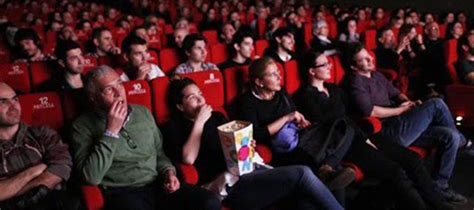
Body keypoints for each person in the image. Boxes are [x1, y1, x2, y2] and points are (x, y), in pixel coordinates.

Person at [294, 51, 453, 210]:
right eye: (324, 64)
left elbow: (351, 115)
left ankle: (439, 205)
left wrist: (365, 136)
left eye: (329, 63)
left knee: (412, 159)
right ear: (312, 71)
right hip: (342, 143)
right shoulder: (304, 95)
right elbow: (329, 123)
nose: (329, 66)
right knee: (395, 171)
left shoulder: (335, 89)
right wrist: (362, 137)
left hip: (362, 134)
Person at [163, 77, 344, 210]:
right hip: (229, 184)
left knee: (306, 203)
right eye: (192, 97)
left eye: (200, 94)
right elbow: (188, 158)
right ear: (180, 106)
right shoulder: (174, 126)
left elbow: (236, 142)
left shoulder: (217, 116)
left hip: (251, 170)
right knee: (303, 173)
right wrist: (199, 123)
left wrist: (246, 144)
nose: (201, 100)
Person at [69, 66, 220, 210]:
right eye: (109, 89)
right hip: (122, 192)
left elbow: (159, 153)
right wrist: (111, 132)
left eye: (119, 84)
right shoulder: (81, 126)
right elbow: (91, 177)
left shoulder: (143, 113)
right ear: (94, 98)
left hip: (157, 184)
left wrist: (169, 172)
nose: (118, 92)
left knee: (208, 202)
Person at [343, 43, 471, 203]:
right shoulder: (355, 81)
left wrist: (410, 103)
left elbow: (397, 95)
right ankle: (464, 142)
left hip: (402, 123)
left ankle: (440, 186)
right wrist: (401, 110)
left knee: (450, 136)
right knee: (436, 103)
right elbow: (370, 112)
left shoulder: (377, 76)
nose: (370, 60)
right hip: (386, 132)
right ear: (353, 67)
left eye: (368, 55)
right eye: (363, 60)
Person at [0, 82, 78, 210]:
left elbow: (62, 167)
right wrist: (31, 173)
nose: (13, 106)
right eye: (3, 101)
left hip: (51, 202)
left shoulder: (43, 133)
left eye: (15, 99)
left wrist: (10, 194)